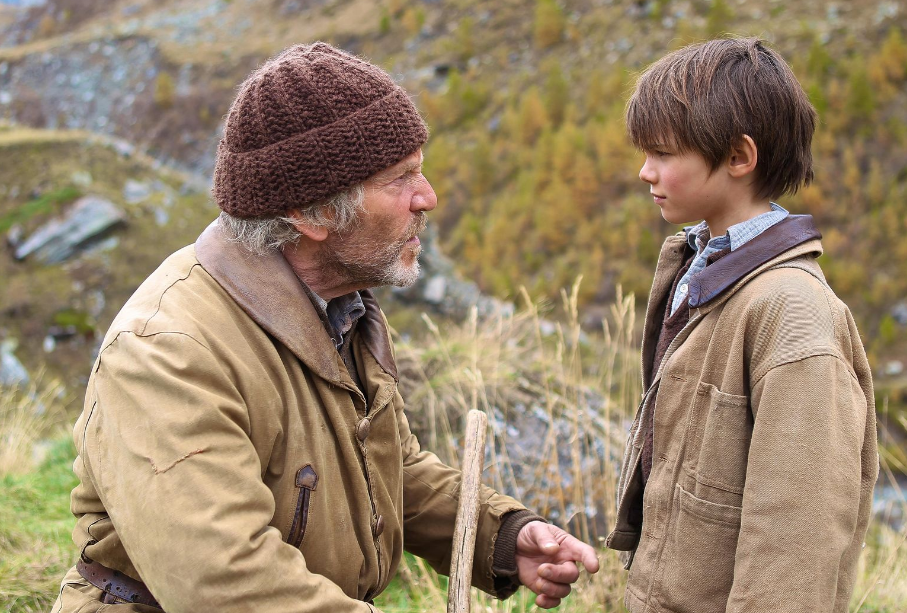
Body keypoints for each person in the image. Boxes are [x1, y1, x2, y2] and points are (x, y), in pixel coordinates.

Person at [52, 42, 598, 612]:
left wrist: (500, 536)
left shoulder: (338, 307)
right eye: (399, 177)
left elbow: (384, 470)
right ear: (309, 213)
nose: (427, 197)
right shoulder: (166, 353)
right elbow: (227, 583)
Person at [605, 38, 877, 613]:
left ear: (738, 157)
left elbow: (795, 537)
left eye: (662, 153)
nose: (643, 170)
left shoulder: (792, 313)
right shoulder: (699, 268)